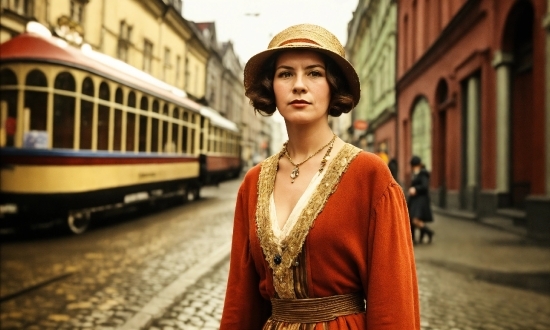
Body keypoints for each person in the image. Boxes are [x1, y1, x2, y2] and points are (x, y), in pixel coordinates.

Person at [220, 24, 420, 329]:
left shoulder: (369, 176)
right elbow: (241, 299)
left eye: (314, 73)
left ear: (333, 85)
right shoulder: (253, 182)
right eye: (285, 74)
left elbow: (394, 303)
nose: (299, 85)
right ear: (270, 86)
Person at [407, 155, 434, 244]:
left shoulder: (423, 174)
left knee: (415, 219)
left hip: (420, 200)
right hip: (415, 200)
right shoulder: (416, 174)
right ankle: (415, 238)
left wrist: (415, 189)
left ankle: (428, 232)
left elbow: (424, 186)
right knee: (412, 219)